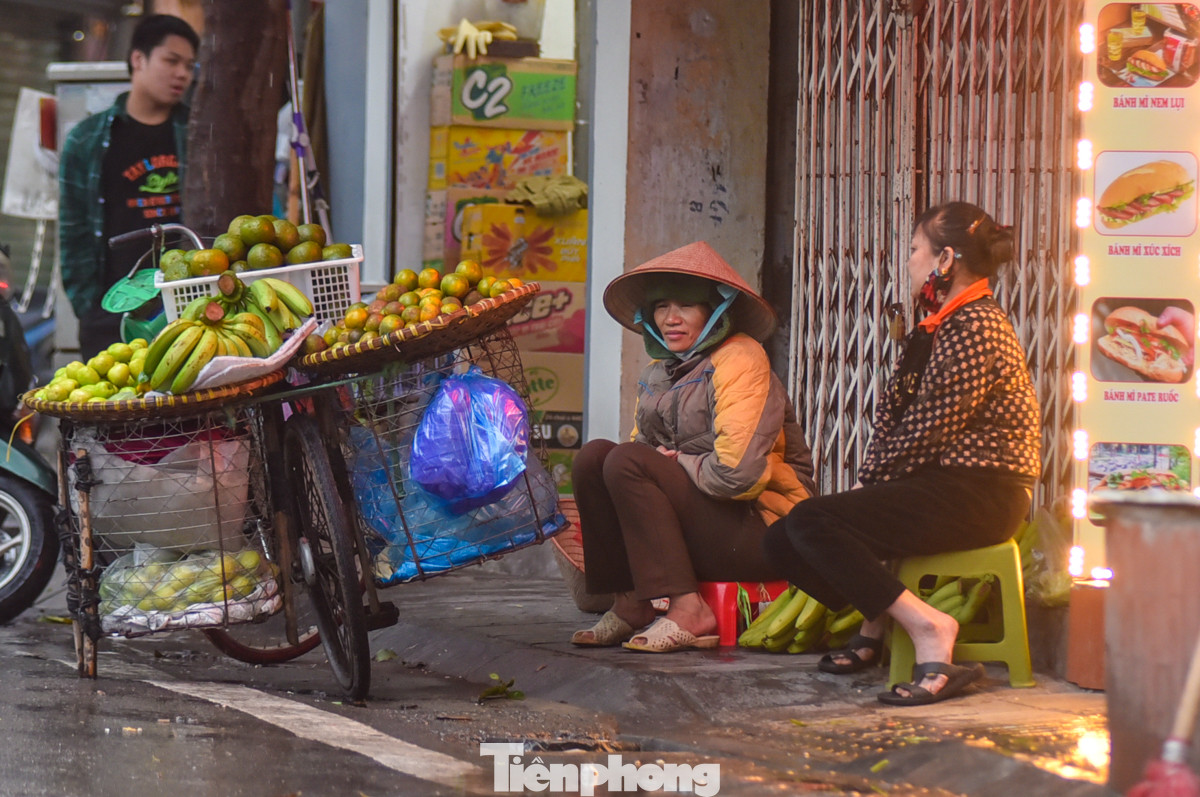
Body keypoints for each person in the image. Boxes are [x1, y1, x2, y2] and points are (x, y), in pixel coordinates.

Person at [762, 202, 1041, 705]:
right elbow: (893, 418)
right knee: (783, 538)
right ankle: (878, 621)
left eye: (915, 250)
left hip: (982, 493)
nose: (908, 260)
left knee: (811, 523)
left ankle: (931, 630)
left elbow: (930, 425)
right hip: (937, 485)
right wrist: (872, 480)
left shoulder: (977, 324)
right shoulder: (936, 326)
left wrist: (869, 482)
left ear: (946, 259)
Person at [570, 241, 816, 653]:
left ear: (716, 312)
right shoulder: (657, 373)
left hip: (764, 529)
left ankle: (690, 610)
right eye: (661, 306)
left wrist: (678, 460)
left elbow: (740, 478)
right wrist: (663, 464)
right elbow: (629, 470)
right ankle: (631, 602)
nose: (671, 318)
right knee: (595, 457)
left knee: (629, 461)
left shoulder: (740, 358)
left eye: (686, 306)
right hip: (702, 529)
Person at [58, 14, 198, 359]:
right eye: (171, 60)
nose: (183, 73)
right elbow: (72, 230)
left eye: (190, 66)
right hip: (111, 311)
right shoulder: (87, 139)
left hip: (186, 309)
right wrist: (88, 307)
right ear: (139, 59)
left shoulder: (197, 133)